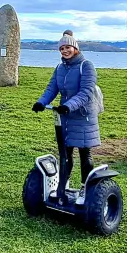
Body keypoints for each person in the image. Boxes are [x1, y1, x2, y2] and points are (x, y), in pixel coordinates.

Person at [32, 30, 100, 204]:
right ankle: (63, 186)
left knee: (85, 154)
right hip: (65, 116)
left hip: (83, 116)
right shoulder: (60, 68)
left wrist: (68, 106)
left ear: (75, 48)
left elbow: (86, 92)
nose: (65, 51)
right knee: (65, 153)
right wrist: (41, 102)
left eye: (68, 47)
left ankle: (85, 189)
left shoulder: (86, 65)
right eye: (61, 48)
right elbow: (52, 88)